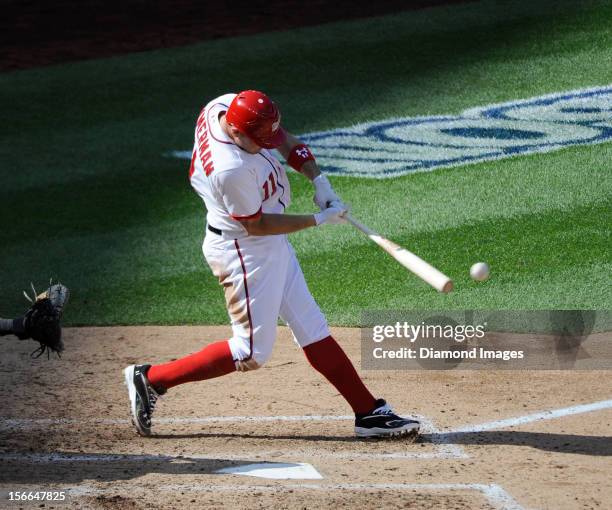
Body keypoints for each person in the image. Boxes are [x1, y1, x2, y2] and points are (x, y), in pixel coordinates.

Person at [123, 90, 420, 439]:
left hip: (266, 243)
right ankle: (151, 379)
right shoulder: (229, 170)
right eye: (258, 141)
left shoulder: (225, 106)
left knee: (312, 327)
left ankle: (367, 413)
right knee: (249, 352)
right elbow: (257, 224)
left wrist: (319, 181)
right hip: (244, 251)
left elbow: (285, 141)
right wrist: (318, 220)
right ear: (237, 133)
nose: (267, 145)